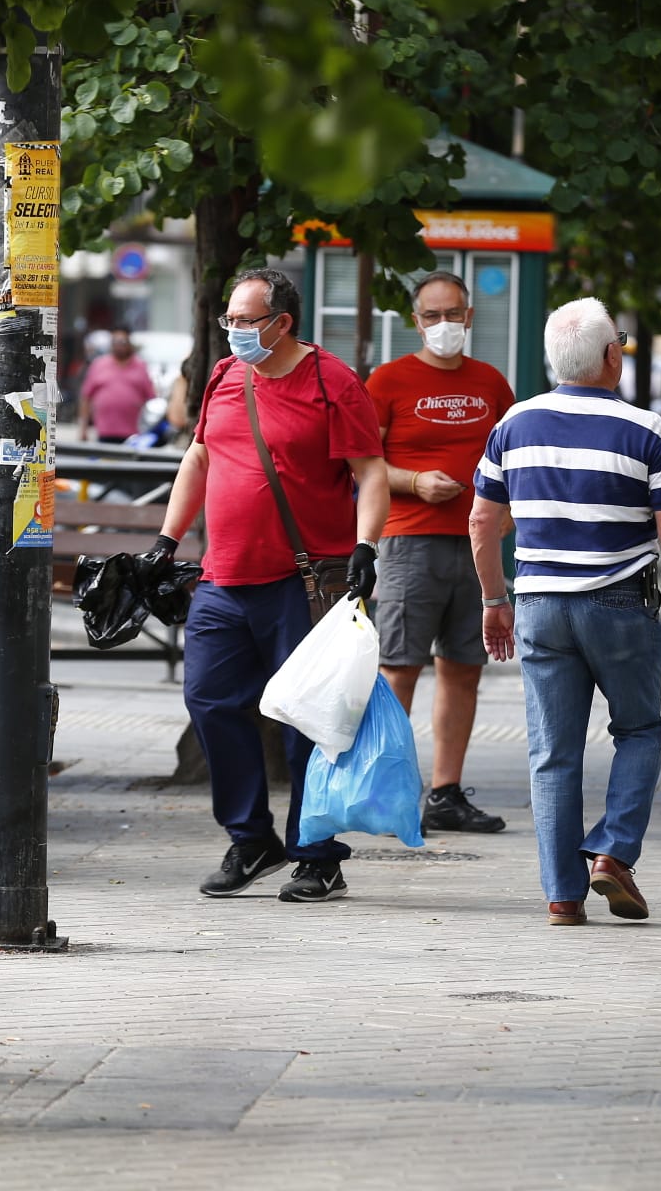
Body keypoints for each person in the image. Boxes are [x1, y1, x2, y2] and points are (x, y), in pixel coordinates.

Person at [469, 297, 661, 926]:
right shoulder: (647, 430)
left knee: (553, 752)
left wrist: (495, 599)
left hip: (538, 607)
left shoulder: (513, 425)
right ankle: (611, 852)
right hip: (619, 606)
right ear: (612, 356)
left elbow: (482, 521)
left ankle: (562, 896)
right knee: (638, 731)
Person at [149, 268, 389, 903]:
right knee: (209, 701)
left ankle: (318, 854)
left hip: (302, 581)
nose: (233, 332)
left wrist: (367, 546)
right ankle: (251, 839)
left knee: (308, 721)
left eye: (246, 321)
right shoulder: (227, 378)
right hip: (223, 578)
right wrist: (167, 543)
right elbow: (199, 457)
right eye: (228, 320)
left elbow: (371, 473)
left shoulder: (332, 382)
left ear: (282, 322)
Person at [366, 271, 516, 835]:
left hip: (478, 546)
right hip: (410, 540)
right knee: (399, 667)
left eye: (453, 314)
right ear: (415, 321)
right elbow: (362, 463)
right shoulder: (388, 380)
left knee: (463, 668)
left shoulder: (490, 382)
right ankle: (384, 791)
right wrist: (412, 481)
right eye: (432, 316)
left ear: (470, 317)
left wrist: (512, 513)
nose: (444, 325)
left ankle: (445, 792)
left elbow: (514, 456)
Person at [80, 326, 156, 443]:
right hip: (104, 433)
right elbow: (86, 397)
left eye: (123, 341)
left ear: (129, 343)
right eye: (115, 341)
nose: (119, 345)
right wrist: (83, 429)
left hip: (133, 435)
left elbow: (151, 398)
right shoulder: (99, 365)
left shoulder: (140, 366)